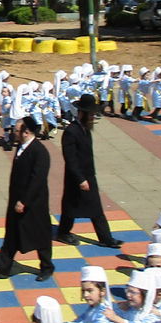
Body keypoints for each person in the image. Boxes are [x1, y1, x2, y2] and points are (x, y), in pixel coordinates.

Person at [0, 116, 55, 281]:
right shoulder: (21, 147)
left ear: (26, 132)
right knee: (12, 234)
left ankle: (46, 267)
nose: (13, 133)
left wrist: (24, 201)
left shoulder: (40, 152)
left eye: (17, 130)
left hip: (33, 204)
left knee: (41, 236)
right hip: (16, 201)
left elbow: (37, 180)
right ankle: (3, 268)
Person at [56, 93, 122, 248]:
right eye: (91, 114)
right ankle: (64, 233)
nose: (93, 117)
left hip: (88, 175)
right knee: (71, 207)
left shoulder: (85, 129)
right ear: (82, 113)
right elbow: (70, 159)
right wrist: (80, 179)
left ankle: (105, 238)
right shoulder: (72, 132)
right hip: (77, 178)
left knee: (93, 208)